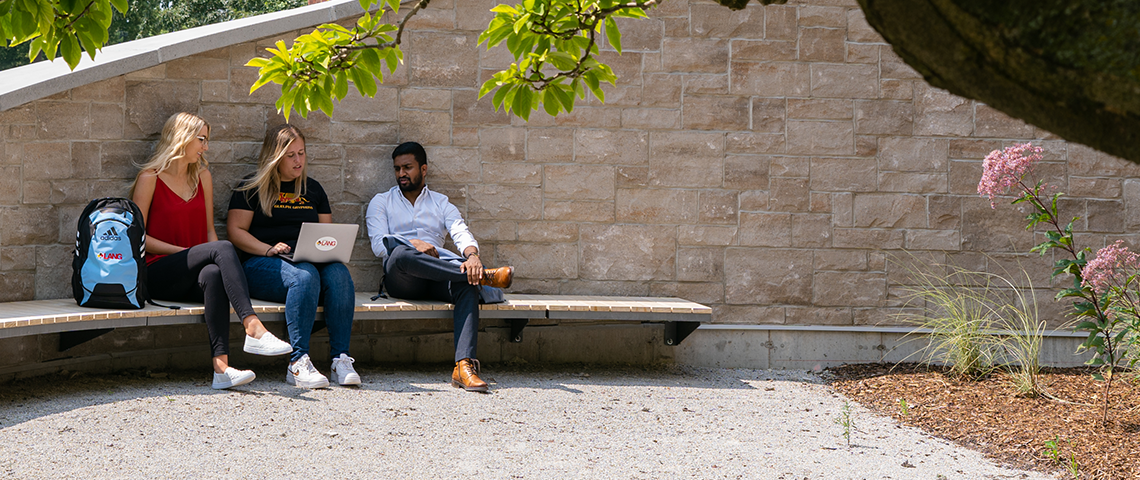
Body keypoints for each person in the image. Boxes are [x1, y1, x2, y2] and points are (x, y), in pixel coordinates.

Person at [130, 112, 293, 390]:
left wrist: (209, 254)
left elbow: (209, 233)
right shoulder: (150, 178)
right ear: (181, 138)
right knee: (219, 250)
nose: (205, 147)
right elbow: (138, 237)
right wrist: (187, 251)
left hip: (193, 270)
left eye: (207, 140)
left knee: (215, 272)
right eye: (201, 139)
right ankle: (252, 326)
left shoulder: (202, 176)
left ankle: (221, 368)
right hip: (158, 271)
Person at [366, 141, 513, 393]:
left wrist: (473, 257)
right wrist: (414, 243)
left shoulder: (441, 203)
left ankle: (463, 367)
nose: (401, 173)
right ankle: (485, 277)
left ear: (423, 169)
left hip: (437, 275)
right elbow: (380, 245)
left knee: (468, 282)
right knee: (400, 253)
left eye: (408, 168)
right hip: (402, 278)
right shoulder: (381, 202)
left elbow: (459, 231)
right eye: (397, 169)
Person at [226, 124, 359, 389]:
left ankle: (340, 359)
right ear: (275, 157)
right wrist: (268, 248)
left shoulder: (313, 190)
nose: (298, 161)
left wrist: (328, 249)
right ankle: (297, 362)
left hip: (307, 261)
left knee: (340, 274)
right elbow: (235, 231)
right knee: (304, 275)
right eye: (291, 155)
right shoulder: (252, 187)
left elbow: (326, 234)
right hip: (262, 262)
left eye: (302, 153)